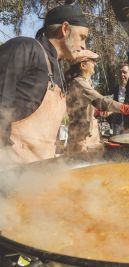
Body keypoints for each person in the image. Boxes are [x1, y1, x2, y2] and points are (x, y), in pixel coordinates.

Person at [0, 4, 93, 167]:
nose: (84, 46)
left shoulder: (57, 69)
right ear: (65, 29)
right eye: (82, 37)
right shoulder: (24, 47)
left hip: (41, 174)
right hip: (12, 172)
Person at [65, 52, 129, 154]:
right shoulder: (79, 83)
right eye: (92, 61)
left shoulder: (84, 82)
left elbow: (85, 108)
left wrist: (97, 112)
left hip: (85, 136)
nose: (95, 64)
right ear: (83, 65)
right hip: (79, 139)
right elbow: (101, 101)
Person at [105, 62, 129, 135]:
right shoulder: (112, 91)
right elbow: (106, 109)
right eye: (120, 72)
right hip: (117, 130)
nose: (122, 75)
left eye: (124, 72)